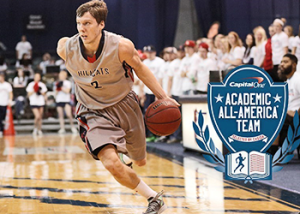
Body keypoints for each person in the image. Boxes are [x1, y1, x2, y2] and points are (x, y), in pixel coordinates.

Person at [56, 1, 178, 213]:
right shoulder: (65, 48)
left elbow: (140, 69)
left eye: (87, 23)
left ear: (101, 24)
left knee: (140, 162)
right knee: (111, 163)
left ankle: (125, 154)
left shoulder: (121, 46)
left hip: (125, 105)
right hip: (92, 111)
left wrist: (163, 97)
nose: (81, 29)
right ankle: (153, 199)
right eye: (78, 23)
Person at [269, 54, 300, 155]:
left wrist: (297, 113)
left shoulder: (297, 79)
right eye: (281, 62)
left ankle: (273, 153)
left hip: (295, 116)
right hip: (288, 116)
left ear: (294, 65)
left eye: (285, 62)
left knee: (274, 117)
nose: (281, 64)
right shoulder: (288, 81)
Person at [142, 45, 165, 142]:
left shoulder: (160, 62)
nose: (149, 54)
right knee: (147, 114)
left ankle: (159, 134)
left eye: (151, 52)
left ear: (155, 52)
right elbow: (142, 79)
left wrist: (158, 93)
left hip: (156, 91)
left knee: (158, 114)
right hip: (147, 92)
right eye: (147, 53)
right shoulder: (144, 62)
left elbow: (161, 78)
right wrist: (142, 92)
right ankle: (149, 134)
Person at [55, 70, 77, 134]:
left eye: (62, 75)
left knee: (69, 114)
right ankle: (62, 128)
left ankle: (72, 127)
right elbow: (56, 93)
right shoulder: (57, 83)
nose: (61, 76)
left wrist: (61, 87)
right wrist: (58, 87)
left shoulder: (67, 83)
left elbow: (67, 91)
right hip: (59, 100)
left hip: (66, 100)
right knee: (60, 115)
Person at [0, 73, 13, 137]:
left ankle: (3, 130)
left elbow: (10, 93)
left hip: (4, 103)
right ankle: (1, 130)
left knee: (3, 118)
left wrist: (10, 100)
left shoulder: (7, 85)